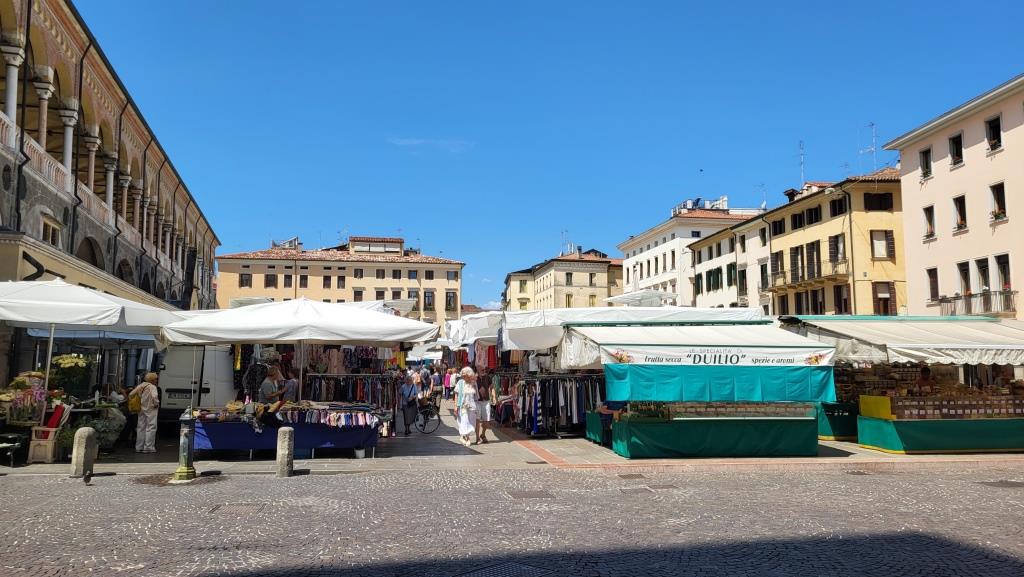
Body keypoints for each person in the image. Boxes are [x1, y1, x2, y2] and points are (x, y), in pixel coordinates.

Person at [129, 373, 160, 453]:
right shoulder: (152, 387)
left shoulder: (141, 385)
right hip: (151, 409)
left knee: (140, 428)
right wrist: (156, 403)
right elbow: (154, 396)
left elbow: (131, 394)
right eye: (156, 379)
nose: (156, 380)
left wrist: (139, 397)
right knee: (151, 427)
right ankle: (148, 447)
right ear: (152, 380)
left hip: (141, 409)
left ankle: (139, 447)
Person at [454, 367, 478, 447]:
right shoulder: (460, 382)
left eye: (464, 374)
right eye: (462, 374)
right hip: (463, 405)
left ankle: (463, 436)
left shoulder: (473, 383)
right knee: (465, 420)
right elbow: (456, 395)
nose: (463, 376)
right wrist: (455, 406)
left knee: (471, 422)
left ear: (469, 374)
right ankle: (467, 438)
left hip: (472, 405)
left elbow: (476, 396)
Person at [475, 372, 494, 444]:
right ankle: (477, 438)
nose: (483, 370)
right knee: (477, 420)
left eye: (484, 369)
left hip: (486, 401)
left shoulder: (487, 377)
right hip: (476, 401)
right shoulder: (474, 377)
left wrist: (494, 397)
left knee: (486, 420)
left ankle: (483, 434)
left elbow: (492, 387)